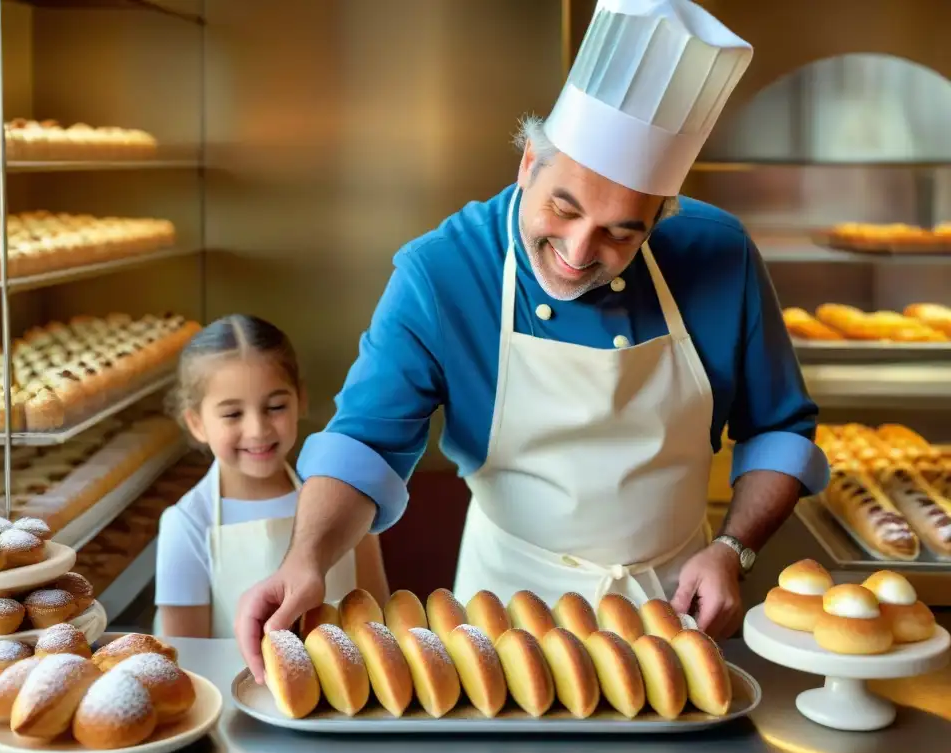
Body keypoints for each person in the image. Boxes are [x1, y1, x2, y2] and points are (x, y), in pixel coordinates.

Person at [236, 0, 831, 683]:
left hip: (679, 609)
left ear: (661, 218)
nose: (579, 252)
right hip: (504, 621)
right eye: (563, 208)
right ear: (528, 163)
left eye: (622, 232)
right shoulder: (444, 272)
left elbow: (781, 429)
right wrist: (305, 560)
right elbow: (365, 443)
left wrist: (735, 548)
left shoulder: (718, 253)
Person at [154, 314, 388, 638]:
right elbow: (188, 655)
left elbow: (378, 622)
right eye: (233, 414)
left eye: (275, 407)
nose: (258, 429)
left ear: (300, 400)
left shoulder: (347, 498)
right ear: (196, 423)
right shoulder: (186, 524)